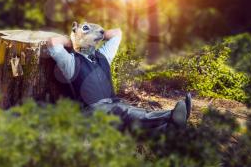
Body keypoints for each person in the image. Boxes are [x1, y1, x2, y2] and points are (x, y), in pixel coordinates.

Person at [47, 21, 191, 133]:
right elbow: (52, 43)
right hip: (91, 111)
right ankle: (171, 115)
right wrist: (73, 39)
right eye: (85, 29)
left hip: (112, 104)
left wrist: (99, 33)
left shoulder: (103, 55)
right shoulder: (71, 61)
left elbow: (117, 33)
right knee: (124, 112)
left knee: (127, 112)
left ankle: (171, 125)